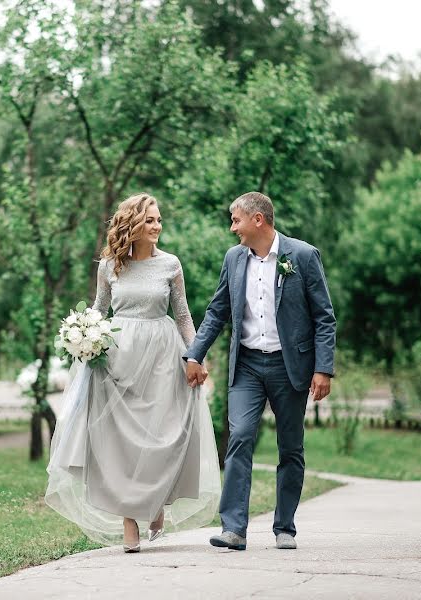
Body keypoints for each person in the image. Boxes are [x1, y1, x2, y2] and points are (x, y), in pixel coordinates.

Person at [45, 193, 221, 553]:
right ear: (133, 224)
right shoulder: (110, 266)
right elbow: (99, 309)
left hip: (162, 356)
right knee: (121, 443)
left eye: (159, 220)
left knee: (163, 436)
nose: (157, 226)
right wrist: (83, 336)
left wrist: (196, 356)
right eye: (151, 220)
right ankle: (130, 519)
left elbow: (184, 316)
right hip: (119, 357)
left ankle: (155, 504)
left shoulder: (171, 264)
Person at [184, 191, 336, 551]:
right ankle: (233, 529)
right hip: (248, 365)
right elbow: (218, 311)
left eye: (236, 219)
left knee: (291, 448)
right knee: (240, 438)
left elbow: (324, 317)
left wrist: (323, 368)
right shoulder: (234, 259)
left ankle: (285, 527)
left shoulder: (302, 255)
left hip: (290, 366)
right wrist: (194, 355)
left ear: (258, 220)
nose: (231, 227)